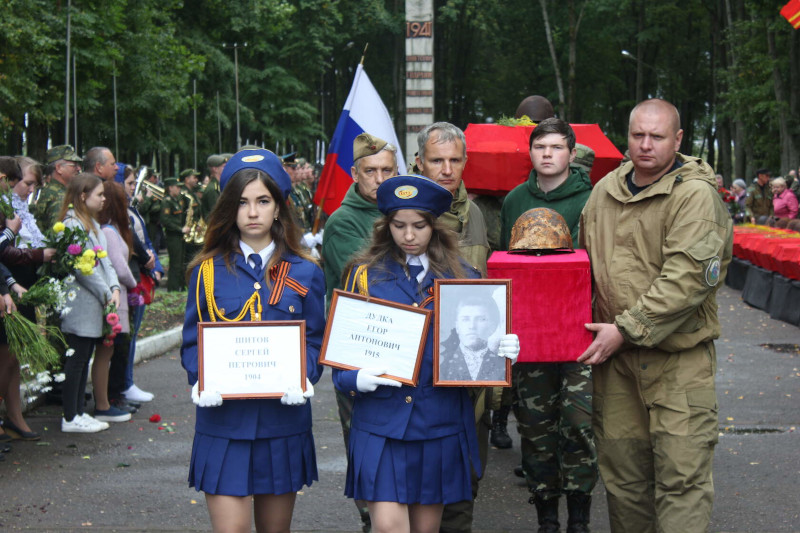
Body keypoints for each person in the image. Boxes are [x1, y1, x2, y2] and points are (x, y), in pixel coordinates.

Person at [578, 99, 733, 533]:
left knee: (681, 481)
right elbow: (579, 270)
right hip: (618, 369)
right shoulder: (603, 192)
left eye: (657, 136)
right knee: (624, 482)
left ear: (678, 139)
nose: (645, 145)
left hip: (678, 366)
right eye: (637, 135)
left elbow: (687, 280)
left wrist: (625, 330)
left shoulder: (696, 196)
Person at [333, 174, 519, 533]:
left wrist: (503, 352)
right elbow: (340, 364)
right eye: (398, 225)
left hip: (438, 423)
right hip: (381, 424)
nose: (408, 235)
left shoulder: (465, 278)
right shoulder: (362, 277)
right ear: (385, 226)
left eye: (419, 225)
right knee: (388, 527)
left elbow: (476, 362)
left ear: (435, 226)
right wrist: (356, 378)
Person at [181, 148, 324, 533]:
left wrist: (304, 377)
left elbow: (315, 338)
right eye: (242, 202)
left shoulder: (306, 271)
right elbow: (193, 340)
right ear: (230, 208)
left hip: (282, 421)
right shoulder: (206, 271)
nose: (253, 212)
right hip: (224, 422)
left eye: (263, 200)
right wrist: (200, 380)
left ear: (279, 206)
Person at [499, 118, 596, 533]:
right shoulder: (514, 200)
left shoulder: (594, 201)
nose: (547, 154)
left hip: (579, 333)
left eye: (557, 147)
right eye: (540, 146)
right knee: (535, 429)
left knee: (578, 425)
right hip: (530, 335)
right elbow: (504, 266)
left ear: (572, 154)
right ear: (531, 151)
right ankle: (546, 518)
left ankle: (579, 516)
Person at [414, 122, 491, 532]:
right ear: (419, 163)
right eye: (437, 160)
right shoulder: (405, 213)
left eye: (455, 160)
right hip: (414, 375)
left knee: (464, 483)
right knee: (415, 484)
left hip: (467, 375)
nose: (447, 169)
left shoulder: (477, 215)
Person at [321, 131, 398, 532]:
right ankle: (372, 520)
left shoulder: (406, 211)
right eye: (371, 171)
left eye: (388, 170)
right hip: (358, 347)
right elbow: (368, 277)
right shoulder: (343, 221)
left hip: (402, 342)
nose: (380, 178)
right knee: (365, 440)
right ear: (354, 173)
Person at [58, 173, 121, 433]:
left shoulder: (92, 224)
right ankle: (70, 416)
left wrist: (115, 287)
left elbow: (105, 261)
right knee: (77, 358)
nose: (104, 199)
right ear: (83, 196)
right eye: (99, 194)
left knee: (84, 358)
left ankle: (79, 413)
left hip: (96, 301)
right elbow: (84, 270)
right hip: (82, 304)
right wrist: (108, 293)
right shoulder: (72, 225)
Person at [0, 157, 54, 444]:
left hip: (18, 284)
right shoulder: (5, 207)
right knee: (6, 354)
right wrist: (37, 255)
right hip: (9, 284)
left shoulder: (20, 209)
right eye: (27, 183)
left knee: (14, 356)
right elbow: (4, 250)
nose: (30, 190)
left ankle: (14, 415)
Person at [92, 181, 138, 423]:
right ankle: (110, 399)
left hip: (118, 297)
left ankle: (114, 397)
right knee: (114, 349)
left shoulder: (109, 230)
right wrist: (134, 283)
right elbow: (117, 267)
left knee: (116, 350)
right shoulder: (108, 231)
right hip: (115, 298)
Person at [120, 166, 163, 404]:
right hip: (133, 275)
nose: (132, 187)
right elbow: (134, 241)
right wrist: (148, 262)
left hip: (141, 274)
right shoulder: (121, 212)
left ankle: (126, 383)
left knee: (132, 334)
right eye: (129, 183)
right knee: (128, 336)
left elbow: (144, 238)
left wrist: (155, 267)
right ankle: (124, 385)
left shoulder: (131, 208)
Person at [439, 297, 507, 382]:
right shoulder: (441, 364)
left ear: (491, 327)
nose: (472, 326)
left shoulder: (503, 364)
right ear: (457, 327)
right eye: (465, 319)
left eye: (480, 319)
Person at [34, 145, 82, 233]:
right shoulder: (59, 197)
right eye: (74, 165)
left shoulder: (50, 190)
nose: (79, 168)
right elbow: (59, 235)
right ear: (59, 168)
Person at [160, 177, 187, 292]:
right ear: (170, 188)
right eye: (177, 187)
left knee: (180, 262)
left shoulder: (176, 200)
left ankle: (180, 286)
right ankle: (173, 289)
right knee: (175, 264)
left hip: (179, 235)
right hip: (173, 236)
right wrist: (180, 229)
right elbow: (165, 220)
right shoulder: (167, 202)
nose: (179, 189)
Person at [200, 154, 227, 220]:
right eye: (223, 167)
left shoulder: (218, 186)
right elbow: (216, 213)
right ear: (215, 169)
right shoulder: (213, 189)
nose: (226, 169)